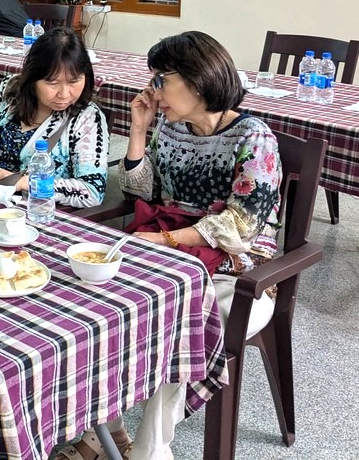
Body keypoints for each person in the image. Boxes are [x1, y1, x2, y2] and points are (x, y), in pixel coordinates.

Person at [60, 31, 282, 460]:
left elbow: (240, 225)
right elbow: (140, 192)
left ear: (198, 80)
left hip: (238, 273)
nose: (153, 91)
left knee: (179, 330)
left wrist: (165, 239)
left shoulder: (253, 137)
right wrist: (139, 130)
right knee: (96, 311)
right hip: (170, 260)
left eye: (161, 79)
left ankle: (149, 451)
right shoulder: (171, 126)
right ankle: (107, 435)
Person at [0, 29, 107, 207]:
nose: (64, 94)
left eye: (74, 82)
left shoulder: (87, 117)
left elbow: (92, 190)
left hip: (31, 209)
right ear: (32, 77)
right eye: (52, 83)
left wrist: (24, 182)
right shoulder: (11, 90)